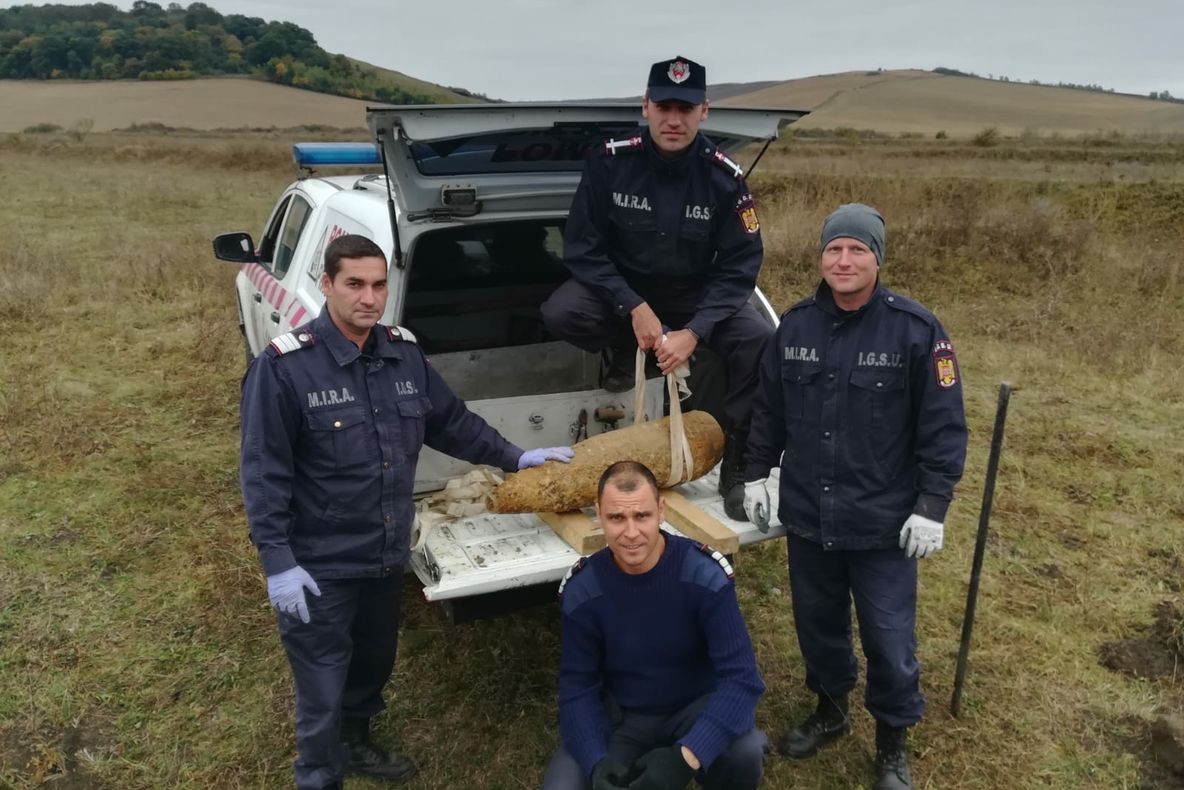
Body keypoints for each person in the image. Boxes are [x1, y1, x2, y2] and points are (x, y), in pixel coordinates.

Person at [240, 234, 573, 790]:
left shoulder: (402, 353)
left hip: (387, 550)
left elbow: (452, 422)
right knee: (322, 684)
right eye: (354, 285)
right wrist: (277, 560)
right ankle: (319, 774)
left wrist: (517, 457)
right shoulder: (286, 369)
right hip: (320, 562)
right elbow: (263, 471)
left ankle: (357, 741)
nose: (368, 299)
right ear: (326, 285)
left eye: (378, 285)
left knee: (372, 663)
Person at [742, 204, 967, 790]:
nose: (843, 260)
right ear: (821, 257)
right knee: (817, 625)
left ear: (877, 259)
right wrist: (759, 472)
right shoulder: (793, 327)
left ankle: (892, 740)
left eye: (857, 250)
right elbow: (767, 411)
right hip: (810, 516)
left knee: (889, 640)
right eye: (834, 249)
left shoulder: (916, 331)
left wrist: (932, 505)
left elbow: (943, 427)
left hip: (882, 524)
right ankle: (832, 711)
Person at [541, 56, 771, 522]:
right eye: (663, 106)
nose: (673, 119)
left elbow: (741, 266)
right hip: (623, 290)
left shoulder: (724, 178)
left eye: (685, 109)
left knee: (758, 341)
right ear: (645, 106)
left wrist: (696, 331)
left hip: (695, 294)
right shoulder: (610, 162)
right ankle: (627, 350)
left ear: (704, 111)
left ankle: (741, 466)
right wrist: (633, 307)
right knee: (563, 311)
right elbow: (583, 250)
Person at [542, 461, 767, 790]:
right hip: (623, 718)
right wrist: (596, 763)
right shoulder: (583, 590)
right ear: (598, 514)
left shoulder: (703, 576)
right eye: (617, 518)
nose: (631, 533)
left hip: (694, 708)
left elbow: (742, 679)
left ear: (661, 511)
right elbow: (578, 689)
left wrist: (685, 758)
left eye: (642, 516)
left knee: (744, 754)